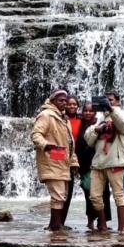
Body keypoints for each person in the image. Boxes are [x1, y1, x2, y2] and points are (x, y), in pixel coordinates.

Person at [31, 89, 80, 231]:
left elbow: (70, 144)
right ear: (52, 101)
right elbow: (36, 135)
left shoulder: (63, 118)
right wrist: (46, 145)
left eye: (65, 100)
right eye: (60, 100)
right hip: (51, 160)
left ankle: (55, 224)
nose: (64, 103)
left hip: (62, 161)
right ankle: (56, 226)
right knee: (58, 195)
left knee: (61, 195)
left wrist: (74, 162)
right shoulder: (46, 115)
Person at [84, 91, 124, 233]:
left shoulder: (122, 114)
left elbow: (122, 124)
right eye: (105, 101)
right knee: (94, 196)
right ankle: (103, 225)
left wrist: (110, 110)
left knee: (119, 195)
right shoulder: (100, 118)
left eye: (110, 100)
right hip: (98, 163)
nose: (107, 103)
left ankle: (122, 228)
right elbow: (89, 140)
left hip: (115, 162)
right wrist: (97, 129)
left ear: (117, 102)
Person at [75, 102, 113, 230]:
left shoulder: (99, 123)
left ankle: (102, 222)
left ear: (95, 112)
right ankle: (90, 220)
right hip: (84, 164)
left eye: (90, 111)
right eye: (85, 110)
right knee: (88, 194)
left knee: (104, 193)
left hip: (100, 163)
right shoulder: (80, 124)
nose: (88, 113)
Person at [60, 96, 81, 229]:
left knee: (69, 191)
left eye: (74, 104)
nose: (72, 106)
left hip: (75, 159)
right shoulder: (61, 119)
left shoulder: (82, 120)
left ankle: (62, 221)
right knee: (60, 191)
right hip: (62, 158)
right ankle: (57, 222)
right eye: (69, 104)